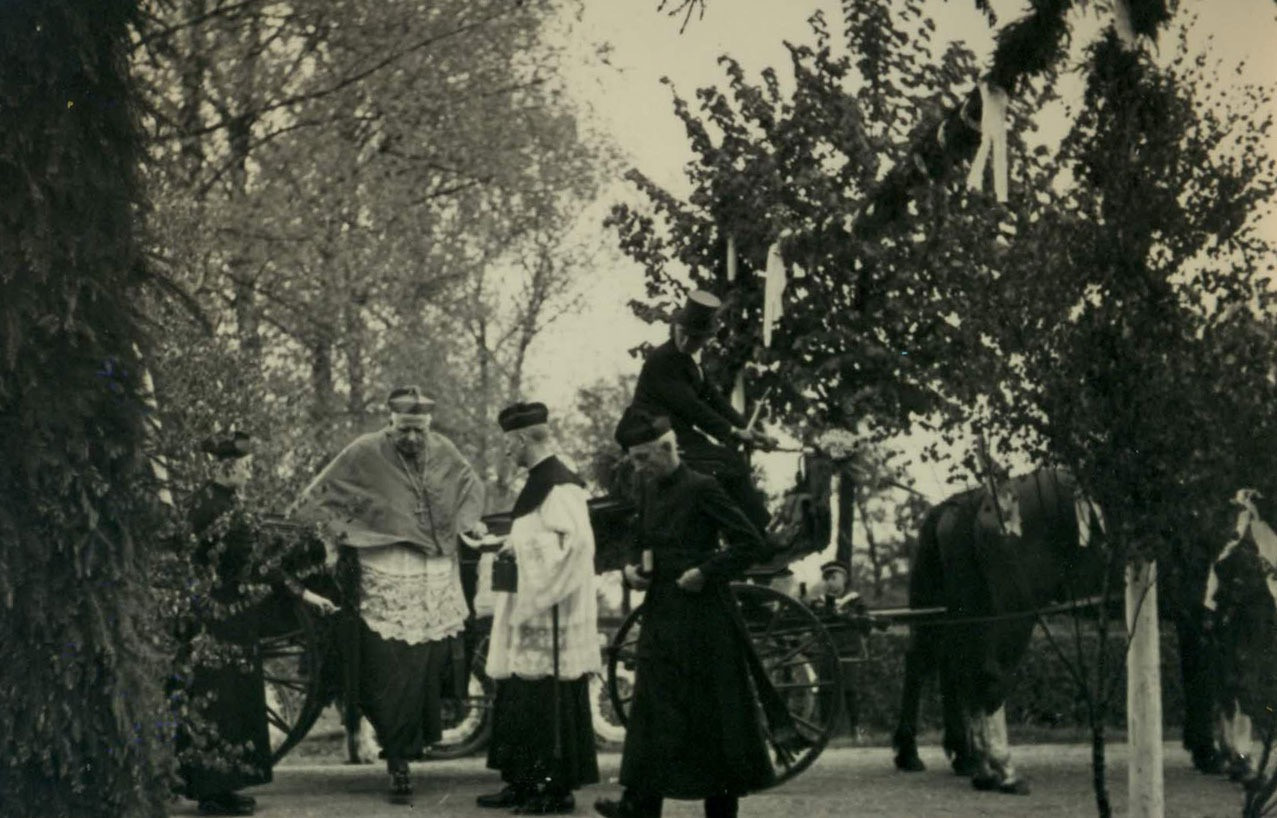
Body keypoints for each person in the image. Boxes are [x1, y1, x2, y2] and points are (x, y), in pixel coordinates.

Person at [594, 408, 799, 818]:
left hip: (706, 620)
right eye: (634, 459)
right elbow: (639, 540)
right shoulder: (648, 487)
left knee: (712, 714)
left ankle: (720, 810)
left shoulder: (703, 488)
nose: (638, 467)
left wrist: (706, 571)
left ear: (667, 447)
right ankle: (639, 807)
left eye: (643, 458)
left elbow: (750, 544)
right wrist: (633, 570)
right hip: (661, 613)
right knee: (653, 708)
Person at [291, 386, 487, 801]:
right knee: (389, 669)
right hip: (386, 569)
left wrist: (466, 522)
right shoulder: (365, 450)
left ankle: (410, 748)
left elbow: (471, 486)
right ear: (390, 422)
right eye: (403, 430)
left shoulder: (445, 450)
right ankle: (397, 758)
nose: (412, 438)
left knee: (427, 665)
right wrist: (344, 536)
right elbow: (316, 498)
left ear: (429, 425)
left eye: (419, 430)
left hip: (435, 573)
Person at [177, 431, 336, 816]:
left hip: (226, 612)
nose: (250, 473)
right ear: (226, 467)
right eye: (246, 467)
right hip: (221, 616)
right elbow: (256, 566)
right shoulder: (213, 508)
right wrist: (305, 594)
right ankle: (211, 793)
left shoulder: (217, 501)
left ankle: (223, 788)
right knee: (221, 700)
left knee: (230, 699)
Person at [478, 401, 601, 815]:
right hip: (529, 606)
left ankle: (554, 790)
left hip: (552, 611)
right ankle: (521, 782)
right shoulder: (538, 482)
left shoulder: (560, 486)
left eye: (507, 444)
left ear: (520, 440)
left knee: (547, 697)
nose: (505, 451)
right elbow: (539, 535)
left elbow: (577, 546)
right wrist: (510, 544)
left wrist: (526, 553)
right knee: (520, 694)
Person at [630, 290, 776, 535]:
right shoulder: (662, 360)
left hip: (677, 437)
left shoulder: (690, 363)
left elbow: (715, 401)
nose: (687, 342)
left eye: (696, 338)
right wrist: (733, 432)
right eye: (683, 334)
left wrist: (751, 431)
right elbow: (692, 407)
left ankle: (747, 534)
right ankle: (759, 534)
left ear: (706, 338)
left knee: (728, 461)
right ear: (676, 328)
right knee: (729, 463)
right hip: (653, 441)